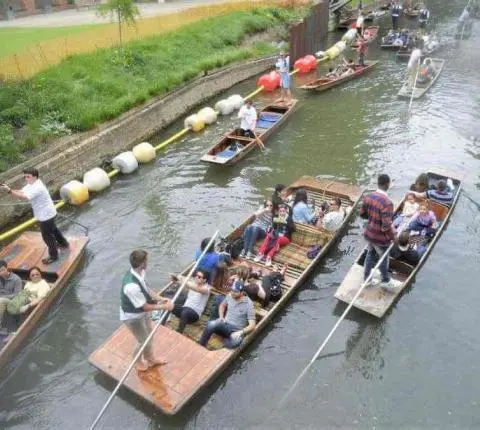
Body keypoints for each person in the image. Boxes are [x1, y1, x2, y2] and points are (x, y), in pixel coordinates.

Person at [1, 168, 69, 265]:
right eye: (25, 177)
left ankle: (54, 256)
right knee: (53, 229)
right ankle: (63, 243)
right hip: (48, 213)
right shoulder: (32, 184)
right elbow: (21, 191)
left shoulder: (38, 187)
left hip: (46, 215)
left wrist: (9, 191)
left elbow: (23, 197)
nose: (26, 178)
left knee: (47, 236)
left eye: (28, 177)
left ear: (35, 177)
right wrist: (9, 189)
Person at [120, 250, 172, 372]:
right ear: (142, 263)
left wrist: (160, 298)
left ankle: (151, 359)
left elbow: (146, 289)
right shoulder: (131, 286)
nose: (148, 261)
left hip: (142, 312)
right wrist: (164, 307)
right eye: (147, 260)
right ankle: (136, 361)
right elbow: (145, 307)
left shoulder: (140, 272)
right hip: (132, 317)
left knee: (149, 335)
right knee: (142, 340)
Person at [359, 174, 401, 289]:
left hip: (369, 233)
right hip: (380, 238)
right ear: (388, 184)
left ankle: (367, 279)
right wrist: (394, 238)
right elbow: (386, 227)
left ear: (378, 183)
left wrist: (373, 218)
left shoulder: (368, 197)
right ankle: (385, 280)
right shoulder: (387, 202)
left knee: (370, 254)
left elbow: (362, 214)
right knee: (384, 258)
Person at [199, 279, 256, 349]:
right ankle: (201, 346)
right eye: (232, 290)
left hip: (236, 330)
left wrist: (240, 332)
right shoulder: (229, 296)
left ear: (242, 293)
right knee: (211, 324)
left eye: (235, 291)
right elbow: (222, 306)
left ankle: (223, 348)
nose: (232, 293)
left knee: (236, 341)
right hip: (225, 324)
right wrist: (221, 317)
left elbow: (252, 325)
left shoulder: (248, 304)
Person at [168, 269, 211, 333]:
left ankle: (179, 332)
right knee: (168, 304)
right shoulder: (193, 283)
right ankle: (163, 322)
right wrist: (174, 279)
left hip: (194, 314)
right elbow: (182, 282)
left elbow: (195, 288)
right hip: (184, 309)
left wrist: (183, 279)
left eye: (199, 277)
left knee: (186, 312)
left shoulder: (207, 288)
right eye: (196, 275)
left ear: (204, 280)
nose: (196, 277)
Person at [0, 260, 22, 328]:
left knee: (1, 300)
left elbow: (17, 294)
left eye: (2, 270)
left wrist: (3, 297)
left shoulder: (16, 279)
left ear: (7, 268)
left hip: (12, 302)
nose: (1, 273)